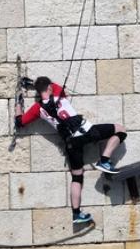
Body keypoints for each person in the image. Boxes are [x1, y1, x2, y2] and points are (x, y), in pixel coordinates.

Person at [14, 76, 127, 224]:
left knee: (77, 177)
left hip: (71, 143)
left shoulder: (37, 108)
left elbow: (20, 122)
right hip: (86, 132)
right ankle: (105, 160)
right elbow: (48, 85)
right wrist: (30, 82)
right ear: (49, 88)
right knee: (121, 130)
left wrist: (18, 103)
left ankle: (76, 213)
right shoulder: (58, 92)